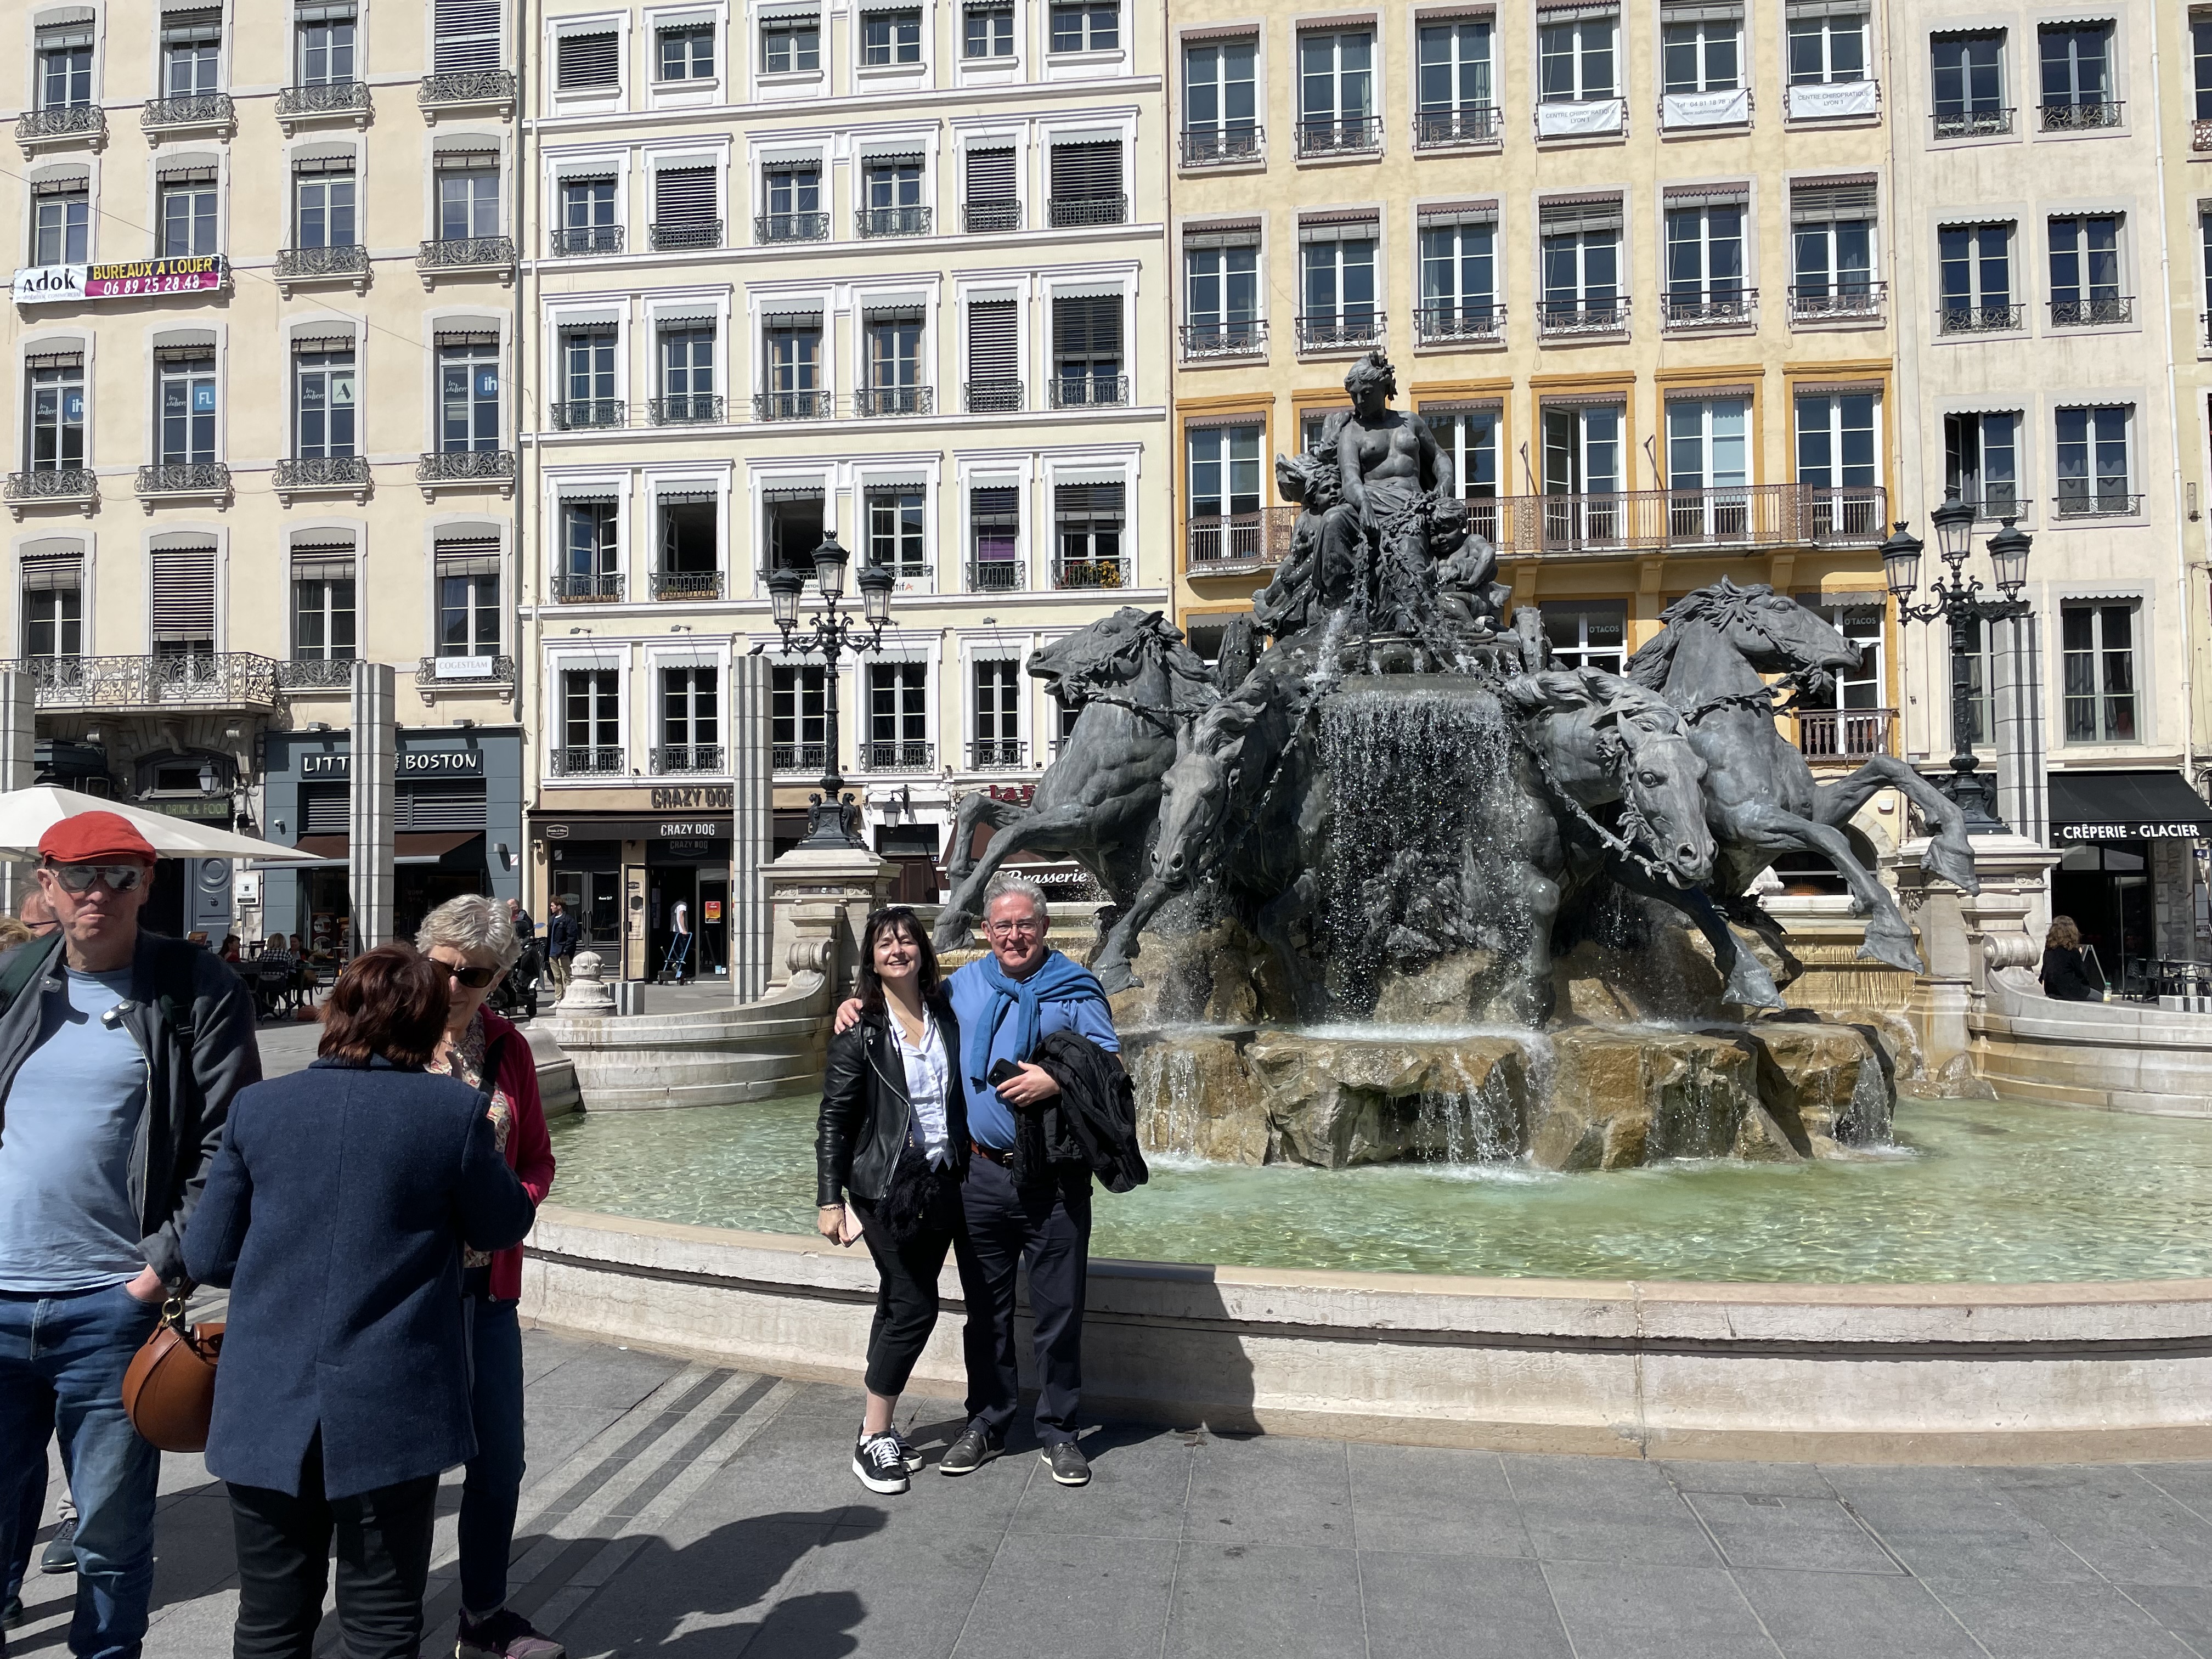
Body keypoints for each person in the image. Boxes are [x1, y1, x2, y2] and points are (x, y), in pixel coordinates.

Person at [183, 945, 536, 1659]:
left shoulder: (260, 1107)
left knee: (269, 1623)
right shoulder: (452, 1112)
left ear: (334, 1013)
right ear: (428, 1024)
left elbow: (208, 1256)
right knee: (381, 1627)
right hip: (393, 1407)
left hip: (266, 1402)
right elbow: (502, 1225)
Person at [0, 812, 261, 1659]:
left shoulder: (196, 988)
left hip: (109, 1309)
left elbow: (230, 1145)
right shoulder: (13, 983)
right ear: (47, 885)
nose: (98, 894)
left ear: (148, 884)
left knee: (110, 1533)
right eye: (79, 876)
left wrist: (160, 1269)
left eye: (119, 875)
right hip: (1, 1297)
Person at [834, 875, 1118, 1487]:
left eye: (1025, 924)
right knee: (985, 1313)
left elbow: (1111, 1068)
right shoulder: (961, 987)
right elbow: (901, 1004)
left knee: (1059, 1312)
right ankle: (987, 1422)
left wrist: (1056, 1080)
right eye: (1003, 926)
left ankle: (1060, 1432)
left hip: (1056, 1179)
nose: (1015, 936)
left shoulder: (1077, 987)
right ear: (986, 932)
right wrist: (856, 1004)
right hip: (980, 1176)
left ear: (1044, 928)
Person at [417, 898, 561, 1659]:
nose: (454, 986)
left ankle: (482, 1613)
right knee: (406, 1467)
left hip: (488, 1291)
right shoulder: (387, 1039)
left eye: (475, 975)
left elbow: (536, 1157)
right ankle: (388, 1622)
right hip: (408, 1293)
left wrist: (516, 1209)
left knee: (499, 1461)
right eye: (444, 967)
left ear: (499, 976)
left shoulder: (509, 1049)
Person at [816, 907, 972, 1496]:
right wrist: (830, 1200)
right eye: (886, 943)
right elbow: (834, 1120)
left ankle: (875, 1424)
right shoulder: (860, 1028)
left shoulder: (945, 1015)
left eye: (907, 940)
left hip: (943, 1180)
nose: (898, 950)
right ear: (872, 959)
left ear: (923, 952)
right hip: (885, 1188)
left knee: (896, 1300)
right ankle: (873, 1436)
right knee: (915, 1306)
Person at [2039, 915, 2102, 1001]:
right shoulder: (2072, 951)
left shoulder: (2049, 950)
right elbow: (2082, 974)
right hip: (2071, 992)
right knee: (2102, 999)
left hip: (2051, 991)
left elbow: (2044, 973)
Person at [543, 899, 579, 1000]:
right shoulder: (552, 920)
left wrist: (566, 950)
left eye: (552, 906)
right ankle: (559, 999)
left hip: (562, 953)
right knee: (557, 977)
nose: (551, 908)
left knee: (566, 977)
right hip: (552, 953)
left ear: (559, 907)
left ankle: (568, 998)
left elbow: (571, 937)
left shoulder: (568, 920)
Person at [662, 898, 692, 984]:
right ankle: (677, 967)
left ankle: (675, 967)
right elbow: (681, 916)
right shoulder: (683, 905)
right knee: (682, 951)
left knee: (676, 950)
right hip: (679, 932)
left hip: (674, 931)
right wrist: (684, 930)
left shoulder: (675, 905)